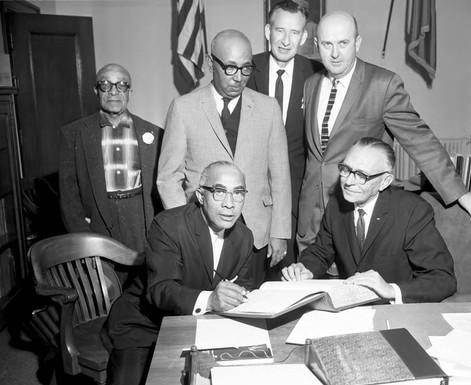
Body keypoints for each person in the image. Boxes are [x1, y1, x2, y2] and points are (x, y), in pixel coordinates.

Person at [297, 11, 471, 254]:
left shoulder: (383, 84)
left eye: (343, 43)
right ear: (317, 44)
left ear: (357, 43)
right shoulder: (311, 84)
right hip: (310, 220)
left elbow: (420, 140)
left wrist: (459, 192)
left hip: (354, 215)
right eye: (328, 44)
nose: (335, 53)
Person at [105, 161, 256, 385]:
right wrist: (210, 301)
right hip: (145, 324)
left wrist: (239, 295)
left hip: (197, 326)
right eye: (219, 192)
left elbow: (244, 284)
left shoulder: (245, 237)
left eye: (238, 193)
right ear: (200, 195)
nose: (230, 204)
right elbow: (161, 289)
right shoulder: (168, 225)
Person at [157, 29, 291, 287]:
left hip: (258, 233)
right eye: (230, 68)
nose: (239, 78)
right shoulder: (183, 107)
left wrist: (280, 232)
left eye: (246, 68)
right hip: (202, 233)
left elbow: (280, 177)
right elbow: (168, 178)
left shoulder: (269, 108)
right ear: (210, 63)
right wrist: (184, 231)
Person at [282, 138, 457, 303]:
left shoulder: (412, 211)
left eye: (361, 175)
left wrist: (391, 290)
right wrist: (305, 269)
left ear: (385, 181)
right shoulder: (337, 203)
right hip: (351, 307)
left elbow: (442, 278)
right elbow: (321, 251)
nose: (348, 182)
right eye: (345, 170)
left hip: (395, 312)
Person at [59, 63, 163, 286]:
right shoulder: (74, 135)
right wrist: (84, 239)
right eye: (105, 85)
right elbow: (69, 196)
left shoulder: (154, 134)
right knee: (105, 290)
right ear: (96, 91)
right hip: (97, 221)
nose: (114, 91)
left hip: (140, 221)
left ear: (130, 92)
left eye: (121, 85)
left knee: (144, 290)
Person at [246, 0, 323, 267]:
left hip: (294, 194)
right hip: (248, 192)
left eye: (294, 33)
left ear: (304, 37)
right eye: (280, 31)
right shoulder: (245, 69)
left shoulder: (317, 75)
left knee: (287, 277)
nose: (286, 41)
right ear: (268, 31)